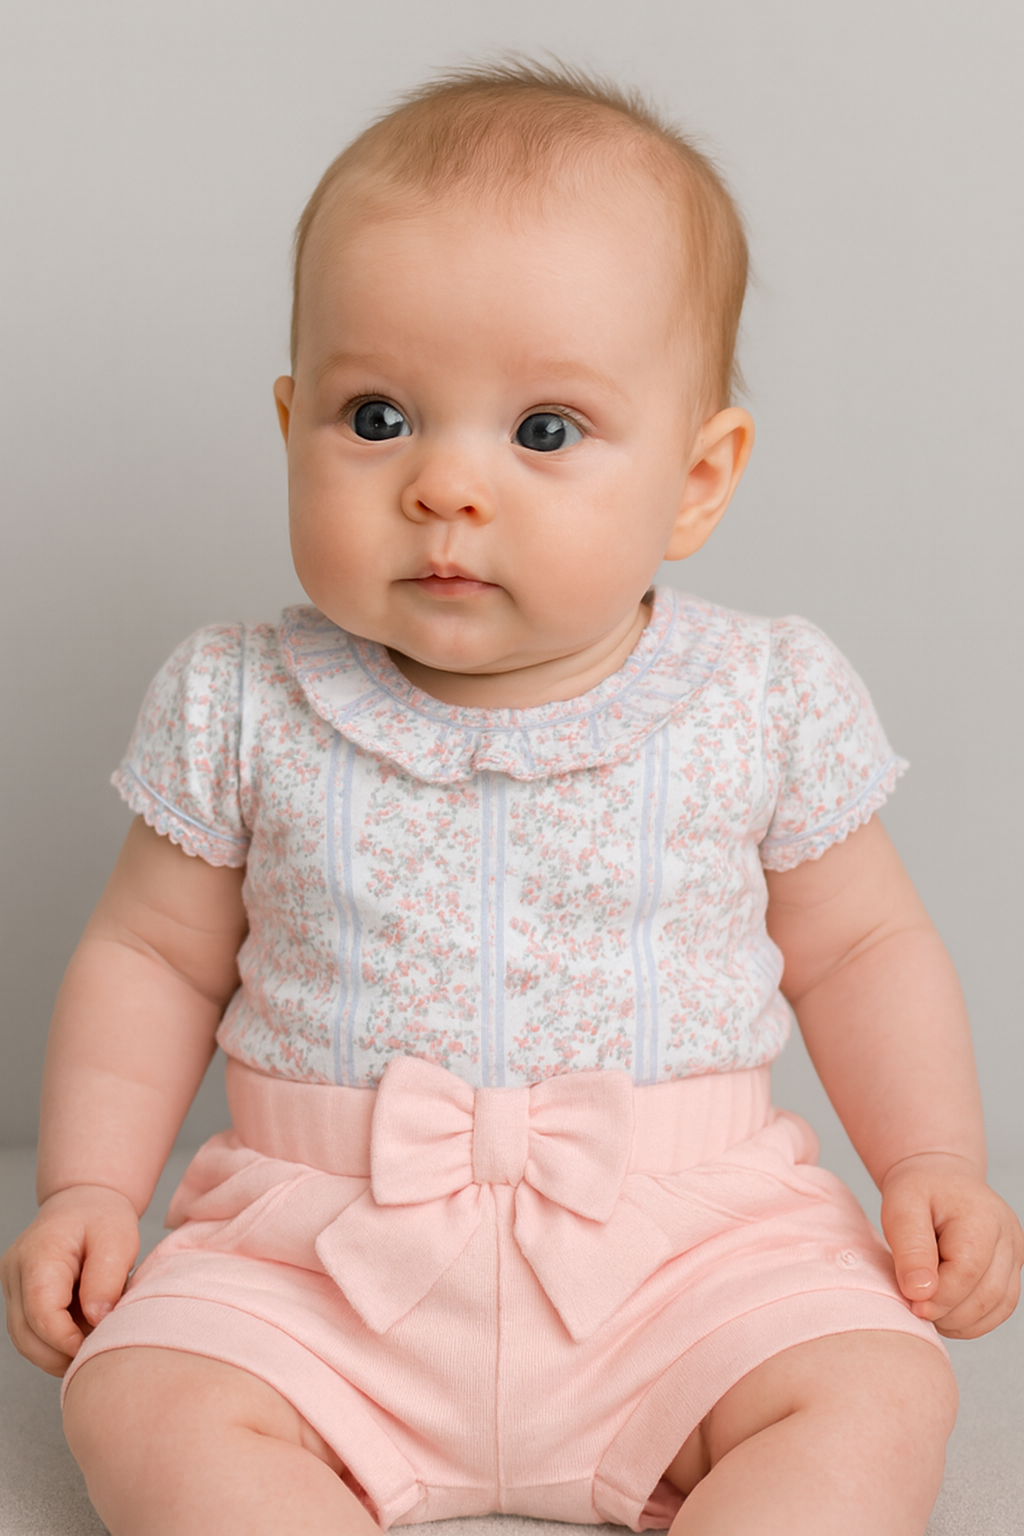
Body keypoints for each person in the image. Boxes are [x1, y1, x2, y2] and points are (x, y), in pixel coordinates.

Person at [2, 59, 1021, 1536]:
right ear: (288, 423)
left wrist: (930, 1162)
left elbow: (862, 946)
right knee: (144, 1395)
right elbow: (153, 955)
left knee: (875, 1386)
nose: (444, 486)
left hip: (690, 1257)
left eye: (544, 430)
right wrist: (91, 1188)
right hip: (314, 1261)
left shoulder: (763, 697)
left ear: (698, 478)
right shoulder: (239, 699)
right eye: (375, 417)